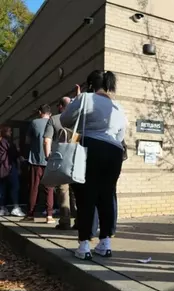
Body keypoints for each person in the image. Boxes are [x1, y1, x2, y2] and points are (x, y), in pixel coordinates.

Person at [60, 70, 126, 260]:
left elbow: (64, 120)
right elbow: (121, 134)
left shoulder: (85, 98)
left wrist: (76, 101)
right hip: (114, 151)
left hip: (90, 147)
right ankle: (105, 243)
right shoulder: (117, 106)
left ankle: (84, 244)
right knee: (106, 195)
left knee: (85, 195)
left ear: (90, 85)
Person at [43, 97, 74, 230]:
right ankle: (80, 221)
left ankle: (65, 221)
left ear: (61, 106)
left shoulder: (54, 119)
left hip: (61, 159)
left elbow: (46, 140)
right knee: (76, 191)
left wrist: (48, 156)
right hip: (76, 158)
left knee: (63, 190)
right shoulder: (77, 119)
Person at [22, 104, 55, 224]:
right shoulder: (54, 122)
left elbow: (27, 140)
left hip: (35, 160)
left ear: (40, 112)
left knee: (33, 188)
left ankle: (30, 214)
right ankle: (50, 215)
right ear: (49, 113)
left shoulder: (34, 122)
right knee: (49, 189)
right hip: (50, 160)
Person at [0, 126, 25, 217]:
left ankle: (2, 208)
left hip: (1, 169)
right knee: (15, 187)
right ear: (5, 132)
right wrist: (18, 151)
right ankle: (15, 207)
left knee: (2, 189)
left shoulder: (1, 142)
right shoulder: (8, 143)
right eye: (9, 131)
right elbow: (14, 154)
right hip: (9, 168)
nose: (11, 133)